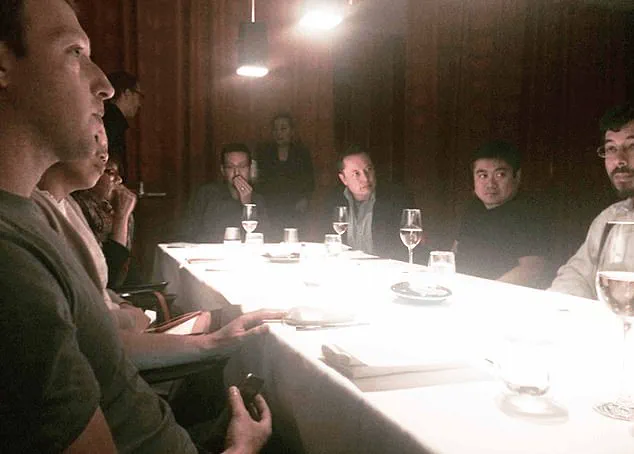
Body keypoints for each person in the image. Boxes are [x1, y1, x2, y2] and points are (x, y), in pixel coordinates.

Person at [0, 0, 274, 452]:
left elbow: (105, 353)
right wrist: (241, 448)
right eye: (74, 52)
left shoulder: (33, 214)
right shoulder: (10, 260)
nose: (105, 86)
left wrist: (212, 343)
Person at [550, 104, 634, 298]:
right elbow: (576, 276)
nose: (619, 160)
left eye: (632, 146)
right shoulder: (611, 217)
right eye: (611, 148)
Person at [453, 141, 549, 287]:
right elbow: (455, 251)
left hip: (500, 295)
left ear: (517, 176)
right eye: (483, 175)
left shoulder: (529, 214)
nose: (490, 184)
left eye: (500, 175)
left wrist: (482, 292)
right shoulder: (474, 207)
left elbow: (532, 270)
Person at [323, 145, 416, 261]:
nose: (366, 179)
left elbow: (407, 248)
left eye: (368, 169)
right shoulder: (334, 200)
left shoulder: (396, 198)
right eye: (356, 173)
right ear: (344, 179)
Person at [73, 153, 138, 287]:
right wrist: (121, 217)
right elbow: (109, 275)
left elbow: (123, 267)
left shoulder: (109, 206)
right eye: (111, 172)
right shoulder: (79, 206)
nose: (119, 180)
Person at [183, 143, 270, 243]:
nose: (237, 173)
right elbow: (187, 233)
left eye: (242, 166)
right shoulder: (207, 194)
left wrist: (247, 204)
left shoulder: (259, 199)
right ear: (223, 170)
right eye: (230, 167)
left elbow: (265, 238)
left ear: (250, 169)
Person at [255, 113, 314, 240]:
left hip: (295, 207)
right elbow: (259, 181)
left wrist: (305, 198)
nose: (279, 133)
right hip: (270, 206)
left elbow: (310, 181)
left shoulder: (301, 153)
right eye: (275, 129)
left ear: (292, 131)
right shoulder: (264, 152)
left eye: (283, 129)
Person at [103, 70, 142, 180]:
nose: (139, 104)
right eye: (139, 96)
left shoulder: (109, 117)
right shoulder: (113, 120)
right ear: (127, 93)